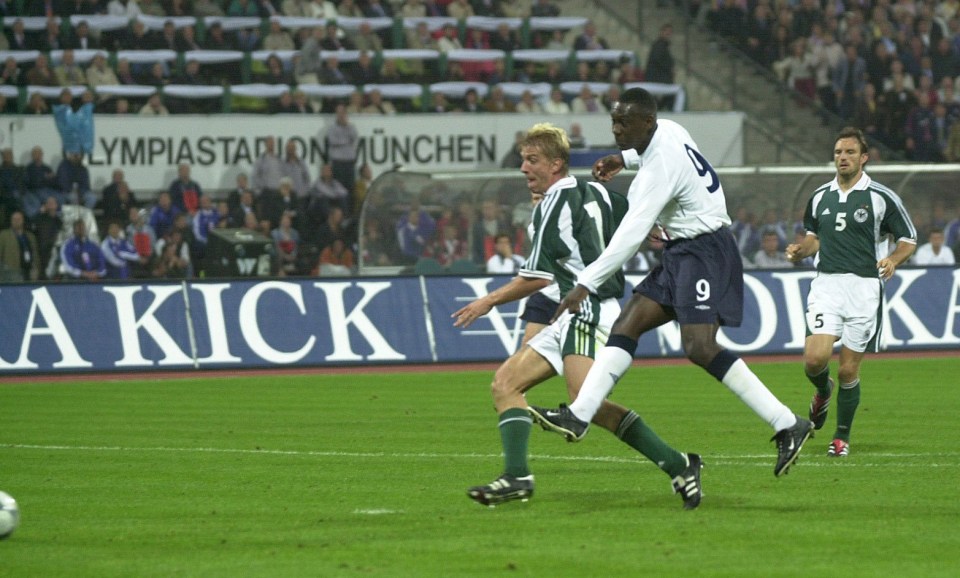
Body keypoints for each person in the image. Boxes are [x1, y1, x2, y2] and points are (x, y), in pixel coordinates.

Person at [531, 88, 813, 478]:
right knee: (626, 325)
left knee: (699, 347)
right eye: (614, 122)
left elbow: (631, 235)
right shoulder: (671, 130)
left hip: (705, 251)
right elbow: (653, 153)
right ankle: (579, 416)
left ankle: (787, 422)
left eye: (624, 123)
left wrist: (586, 283)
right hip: (682, 251)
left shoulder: (657, 171)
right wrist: (622, 158)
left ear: (646, 122)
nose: (615, 129)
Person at [453, 123, 702, 509]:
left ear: (556, 165)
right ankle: (517, 477)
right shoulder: (600, 193)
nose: (523, 168)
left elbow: (535, 278)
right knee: (505, 385)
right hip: (571, 313)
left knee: (585, 405)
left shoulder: (553, 203)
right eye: (522, 160)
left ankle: (679, 463)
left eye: (532, 160)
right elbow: (639, 223)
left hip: (588, 309)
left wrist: (488, 301)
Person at [785, 127, 917, 458]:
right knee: (814, 361)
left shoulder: (881, 198)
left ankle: (841, 437)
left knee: (847, 370)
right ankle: (821, 391)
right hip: (827, 284)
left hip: (864, 288)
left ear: (864, 158)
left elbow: (908, 239)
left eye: (849, 152)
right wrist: (801, 251)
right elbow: (813, 238)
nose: (842, 158)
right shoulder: (820, 197)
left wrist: (893, 259)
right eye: (838, 153)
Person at [0, 211, 40, 282]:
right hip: (11, 273)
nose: (16, 221)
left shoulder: (30, 236)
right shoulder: (4, 235)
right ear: (11, 221)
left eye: (19, 219)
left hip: (29, 272)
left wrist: (36, 268)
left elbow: (35, 254)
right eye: (14, 219)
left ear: (23, 220)